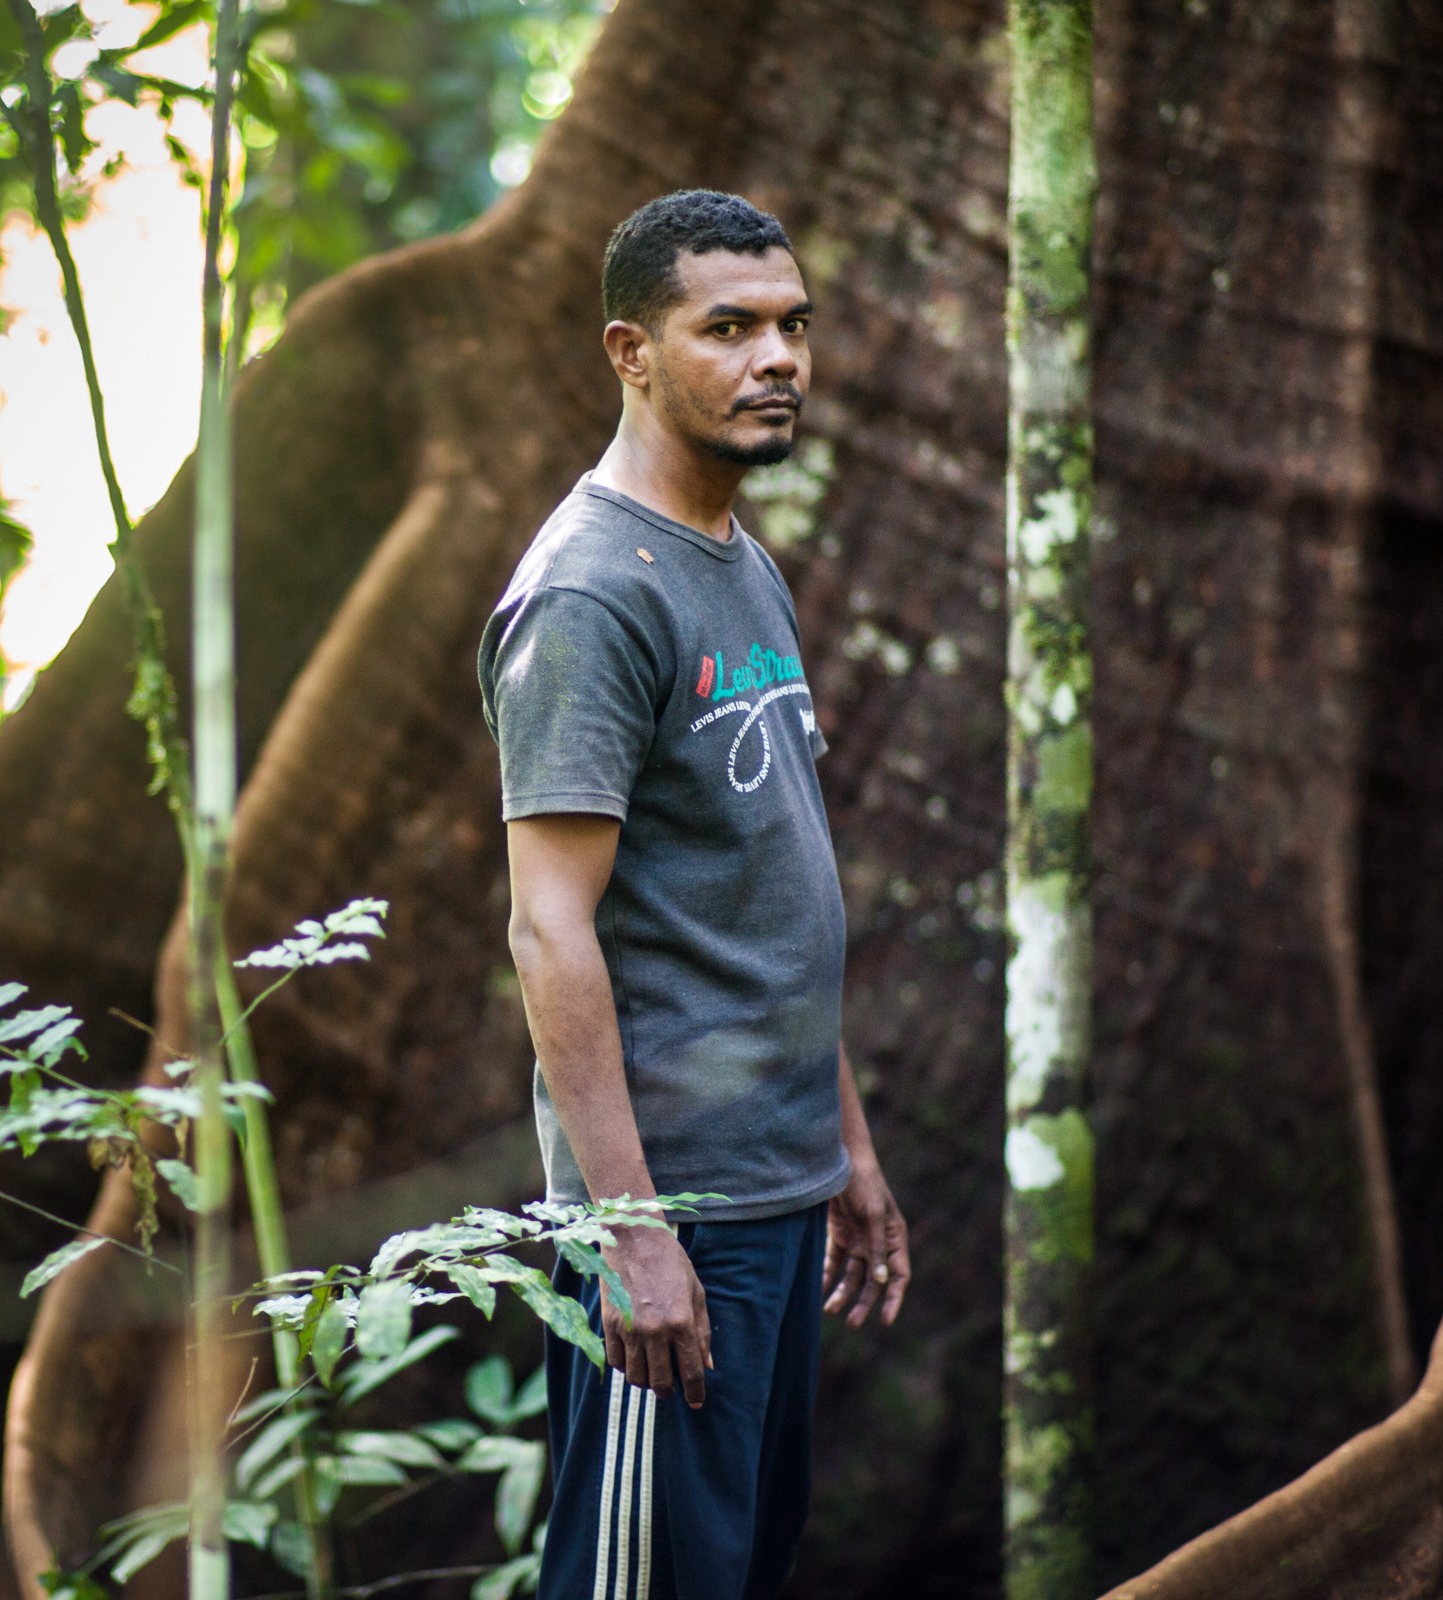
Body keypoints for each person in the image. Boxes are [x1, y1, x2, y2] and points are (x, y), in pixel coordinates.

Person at [478, 190, 913, 1600]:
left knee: (733, 1569)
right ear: (632, 351)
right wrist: (628, 1229)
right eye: (726, 328)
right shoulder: (593, 597)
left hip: (775, 1187)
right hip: (679, 1208)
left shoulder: (738, 564)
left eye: (792, 325)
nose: (776, 357)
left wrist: (842, 1145)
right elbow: (548, 924)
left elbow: (764, 888)